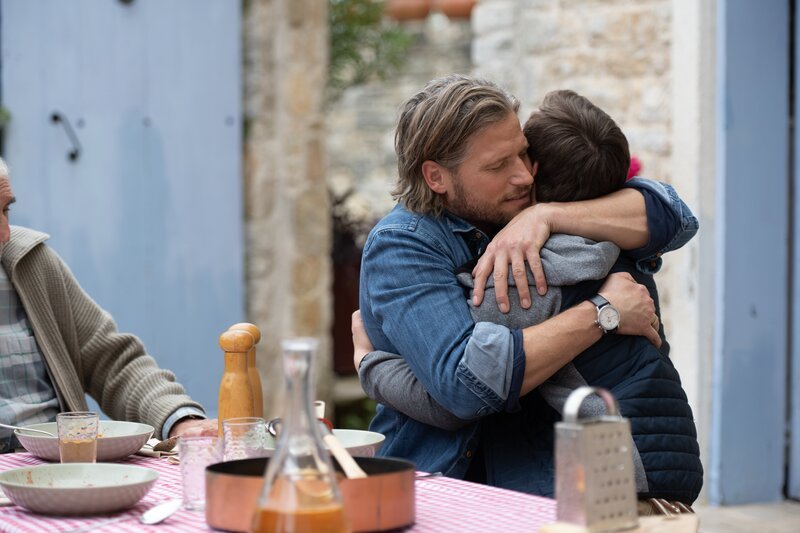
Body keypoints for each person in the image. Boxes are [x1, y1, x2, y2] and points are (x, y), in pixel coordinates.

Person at [354, 89, 702, 504]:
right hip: (443, 482)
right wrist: (603, 312)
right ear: (436, 177)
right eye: (498, 165)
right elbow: (466, 386)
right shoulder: (404, 244)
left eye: (523, 153)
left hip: (575, 477)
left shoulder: (548, 229)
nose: (524, 176)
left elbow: (676, 217)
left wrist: (546, 213)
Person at [0, 157, 216, 453]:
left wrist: (180, 421)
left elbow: (113, 361)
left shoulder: (30, 262)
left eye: (5, 210)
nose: (5, 233)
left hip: (66, 466)